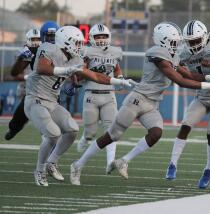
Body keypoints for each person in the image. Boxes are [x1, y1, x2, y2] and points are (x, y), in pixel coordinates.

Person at [70, 22, 210, 185]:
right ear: (163, 41)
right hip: (137, 100)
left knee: (156, 134)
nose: (177, 45)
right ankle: (78, 164)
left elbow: (189, 75)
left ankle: (124, 160)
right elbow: (179, 80)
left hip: (151, 104)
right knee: (112, 136)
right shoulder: (157, 53)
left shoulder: (173, 56)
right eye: (173, 42)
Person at [24, 25, 133, 186]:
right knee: (53, 134)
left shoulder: (75, 58)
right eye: (76, 43)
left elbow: (95, 75)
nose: (80, 46)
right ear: (65, 42)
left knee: (72, 129)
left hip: (52, 103)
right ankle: (39, 171)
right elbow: (42, 68)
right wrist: (65, 70)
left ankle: (52, 162)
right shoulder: (49, 48)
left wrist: (120, 80)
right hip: (35, 100)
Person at [164, 20, 210, 189]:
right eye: (190, 41)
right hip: (202, 95)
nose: (194, 45)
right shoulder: (182, 53)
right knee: (185, 125)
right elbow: (184, 74)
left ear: (205, 37)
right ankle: (172, 164)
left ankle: (209, 169)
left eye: (197, 40)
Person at [76, 24, 122, 174]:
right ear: (91, 38)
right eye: (98, 36)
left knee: (111, 130)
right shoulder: (87, 52)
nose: (101, 39)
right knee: (91, 132)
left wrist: (120, 78)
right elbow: (79, 73)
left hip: (109, 95)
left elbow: (116, 68)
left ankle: (110, 161)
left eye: (104, 36)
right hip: (92, 94)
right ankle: (84, 138)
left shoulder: (113, 52)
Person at [4, 29, 42, 140]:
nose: (35, 42)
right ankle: (14, 128)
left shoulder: (46, 51)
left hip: (43, 88)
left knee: (40, 113)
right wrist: (22, 57)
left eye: (38, 39)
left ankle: (46, 134)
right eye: (33, 39)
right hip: (27, 87)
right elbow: (14, 73)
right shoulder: (25, 51)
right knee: (25, 111)